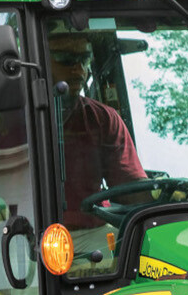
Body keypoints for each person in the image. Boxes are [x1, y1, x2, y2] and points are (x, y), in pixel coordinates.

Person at [48, 33, 147, 264]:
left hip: (91, 234)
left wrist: (164, 200)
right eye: (66, 59)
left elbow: (131, 191)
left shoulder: (103, 119)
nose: (79, 71)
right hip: (28, 237)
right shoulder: (2, 123)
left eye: (84, 60)